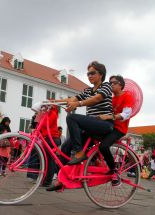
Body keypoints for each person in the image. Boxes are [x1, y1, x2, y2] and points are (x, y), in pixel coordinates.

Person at [47, 61, 113, 191]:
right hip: (91, 127)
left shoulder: (106, 86)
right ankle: (62, 180)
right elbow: (72, 99)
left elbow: (97, 99)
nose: (89, 75)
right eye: (88, 73)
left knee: (72, 117)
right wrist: (51, 102)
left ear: (101, 74)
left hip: (104, 125)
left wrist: (79, 104)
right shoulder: (88, 90)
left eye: (92, 73)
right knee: (65, 146)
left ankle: (79, 152)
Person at [98, 75, 134, 186]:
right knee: (88, 137)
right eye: (110, 83)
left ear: (121, 85)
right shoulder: (112, 99)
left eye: (114, 82)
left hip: (119, 129)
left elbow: (126, 114)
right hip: (109, 127)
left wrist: (110, 117)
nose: (111, 84)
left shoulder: (127, 96)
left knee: (103, 146)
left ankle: (114, 171)